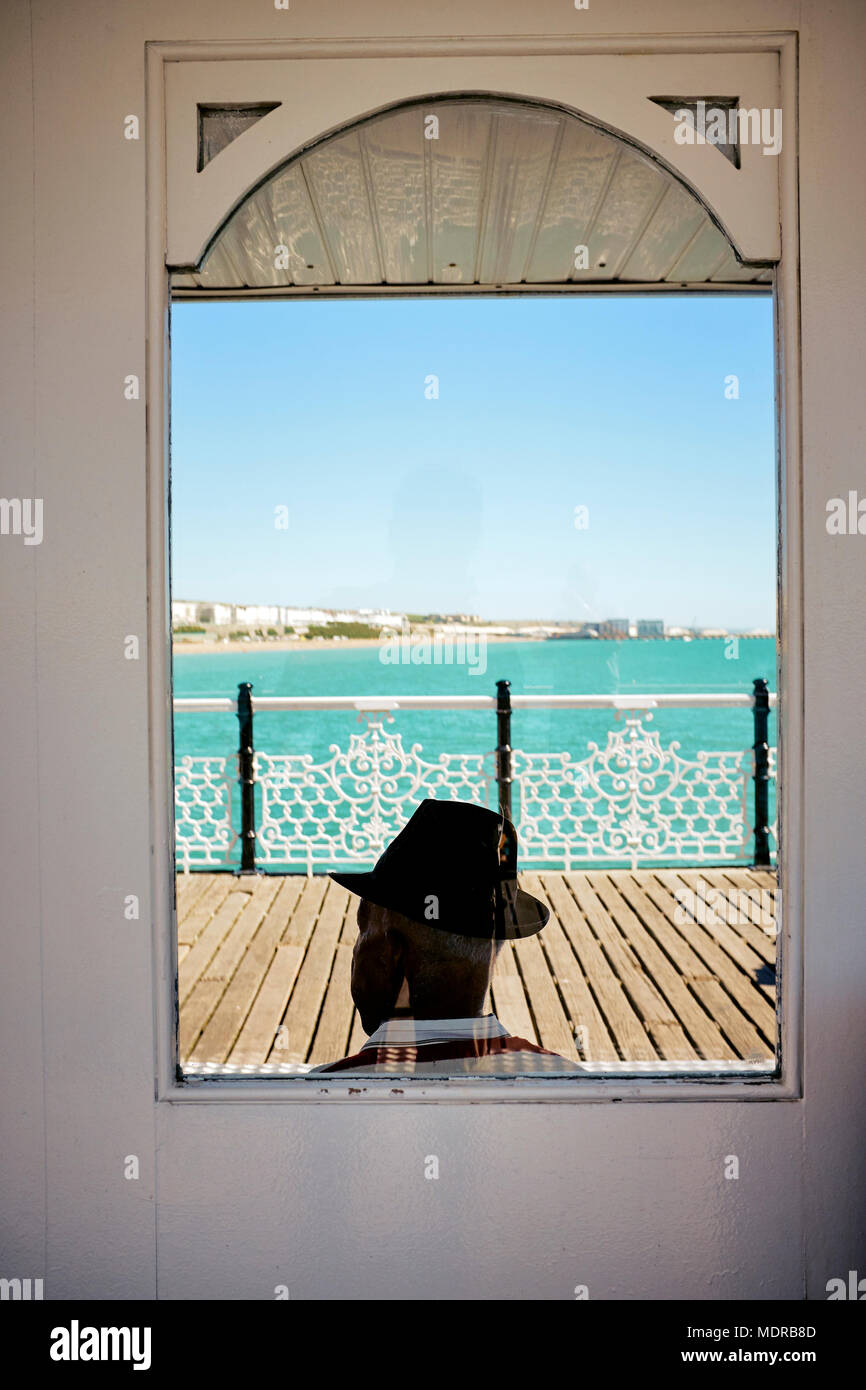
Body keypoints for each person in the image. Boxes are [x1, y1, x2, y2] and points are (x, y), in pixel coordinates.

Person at [309, 799, 576, 1075]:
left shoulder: (317, 1093)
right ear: (492, 955)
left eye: (363, 932)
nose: (355, 955)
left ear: (393, 953)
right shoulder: (568, 1080)